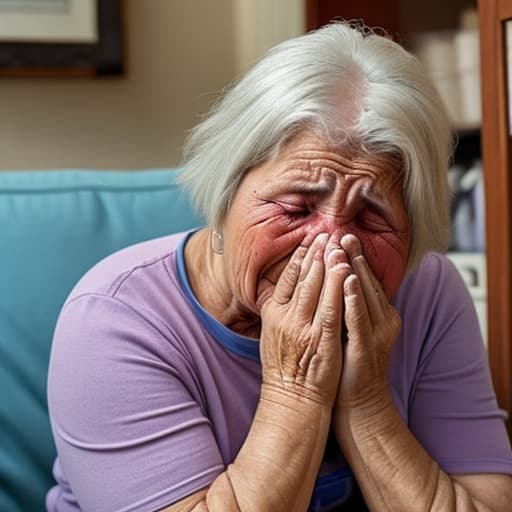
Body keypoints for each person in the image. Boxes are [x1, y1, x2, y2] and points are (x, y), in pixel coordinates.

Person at [46, 21, 512, 512]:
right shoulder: (114, 320)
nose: (331, 247)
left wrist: (368, 403)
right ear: (226, 192)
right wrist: (298, 389)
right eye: (296, 208)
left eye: (371, 220)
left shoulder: (429, 292)